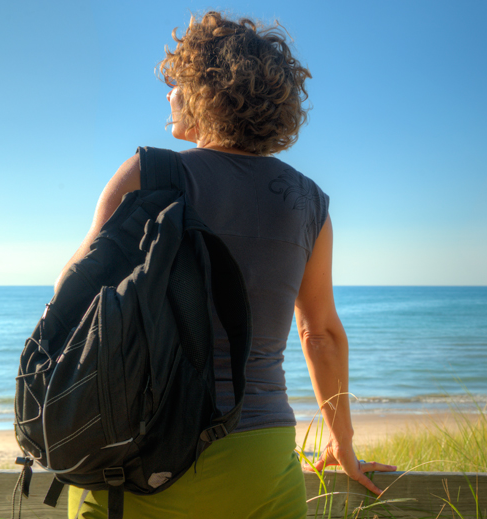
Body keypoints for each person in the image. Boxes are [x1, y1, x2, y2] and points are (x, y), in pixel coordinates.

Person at [57, 11, 395, 519]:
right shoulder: (309, 203)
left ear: (204, 93)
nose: (169, 96)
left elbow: (71, 297)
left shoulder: (147, 173)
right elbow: (319, 333)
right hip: (256, 460)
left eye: (178, 85)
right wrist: (340, 441)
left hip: (130, 456)